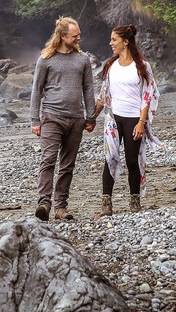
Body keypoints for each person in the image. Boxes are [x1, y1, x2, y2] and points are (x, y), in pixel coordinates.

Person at [29, 17, 97, 221]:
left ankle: (61, 208)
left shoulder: (83, 59)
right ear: (62, 36)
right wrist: (34, 120)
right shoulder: (46, 59)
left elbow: (88, 89)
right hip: (52, 117)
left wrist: (91, 116)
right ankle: (44, 203)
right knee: (48, 160)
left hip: (76, 118)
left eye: (78, 34)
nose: (79, 37)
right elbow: (36, 90)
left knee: (68, 165)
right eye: (75, 35)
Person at [95, 24, 161, 216]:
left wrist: (142, 122)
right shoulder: (110, 65)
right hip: (114, 119)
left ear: (126, 41)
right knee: (110, 159)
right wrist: (90, 118)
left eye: (114, 40)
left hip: (133, 119)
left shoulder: (142, 66)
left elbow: (147, 96)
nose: (111, 43)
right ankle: (106, 202)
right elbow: (103, 94)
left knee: (133, 161)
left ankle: (134, 200)